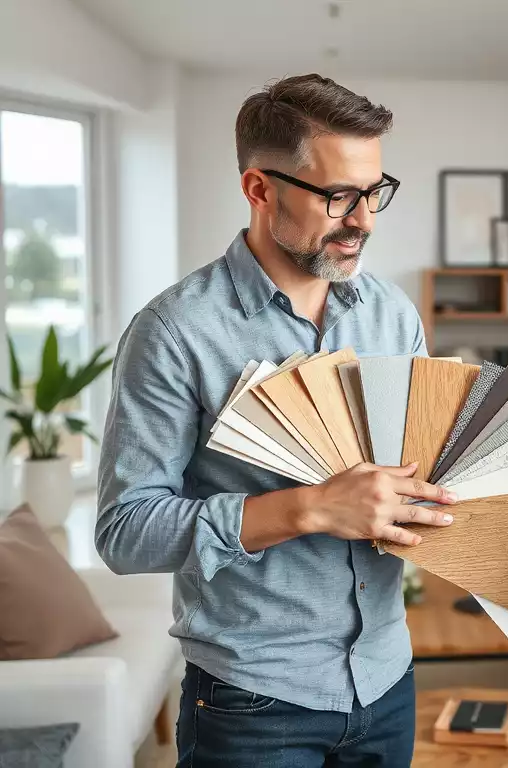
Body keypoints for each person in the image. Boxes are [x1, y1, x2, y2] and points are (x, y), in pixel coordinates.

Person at [96, 74, 456, 767]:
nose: (365, 220)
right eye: (338, 196)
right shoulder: (174, 331)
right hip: (251, 702)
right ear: (260, 189)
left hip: (386, 681)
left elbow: (413, 477)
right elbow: (124, 532)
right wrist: (311, 508)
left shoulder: (393, 313)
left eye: (374, 191)